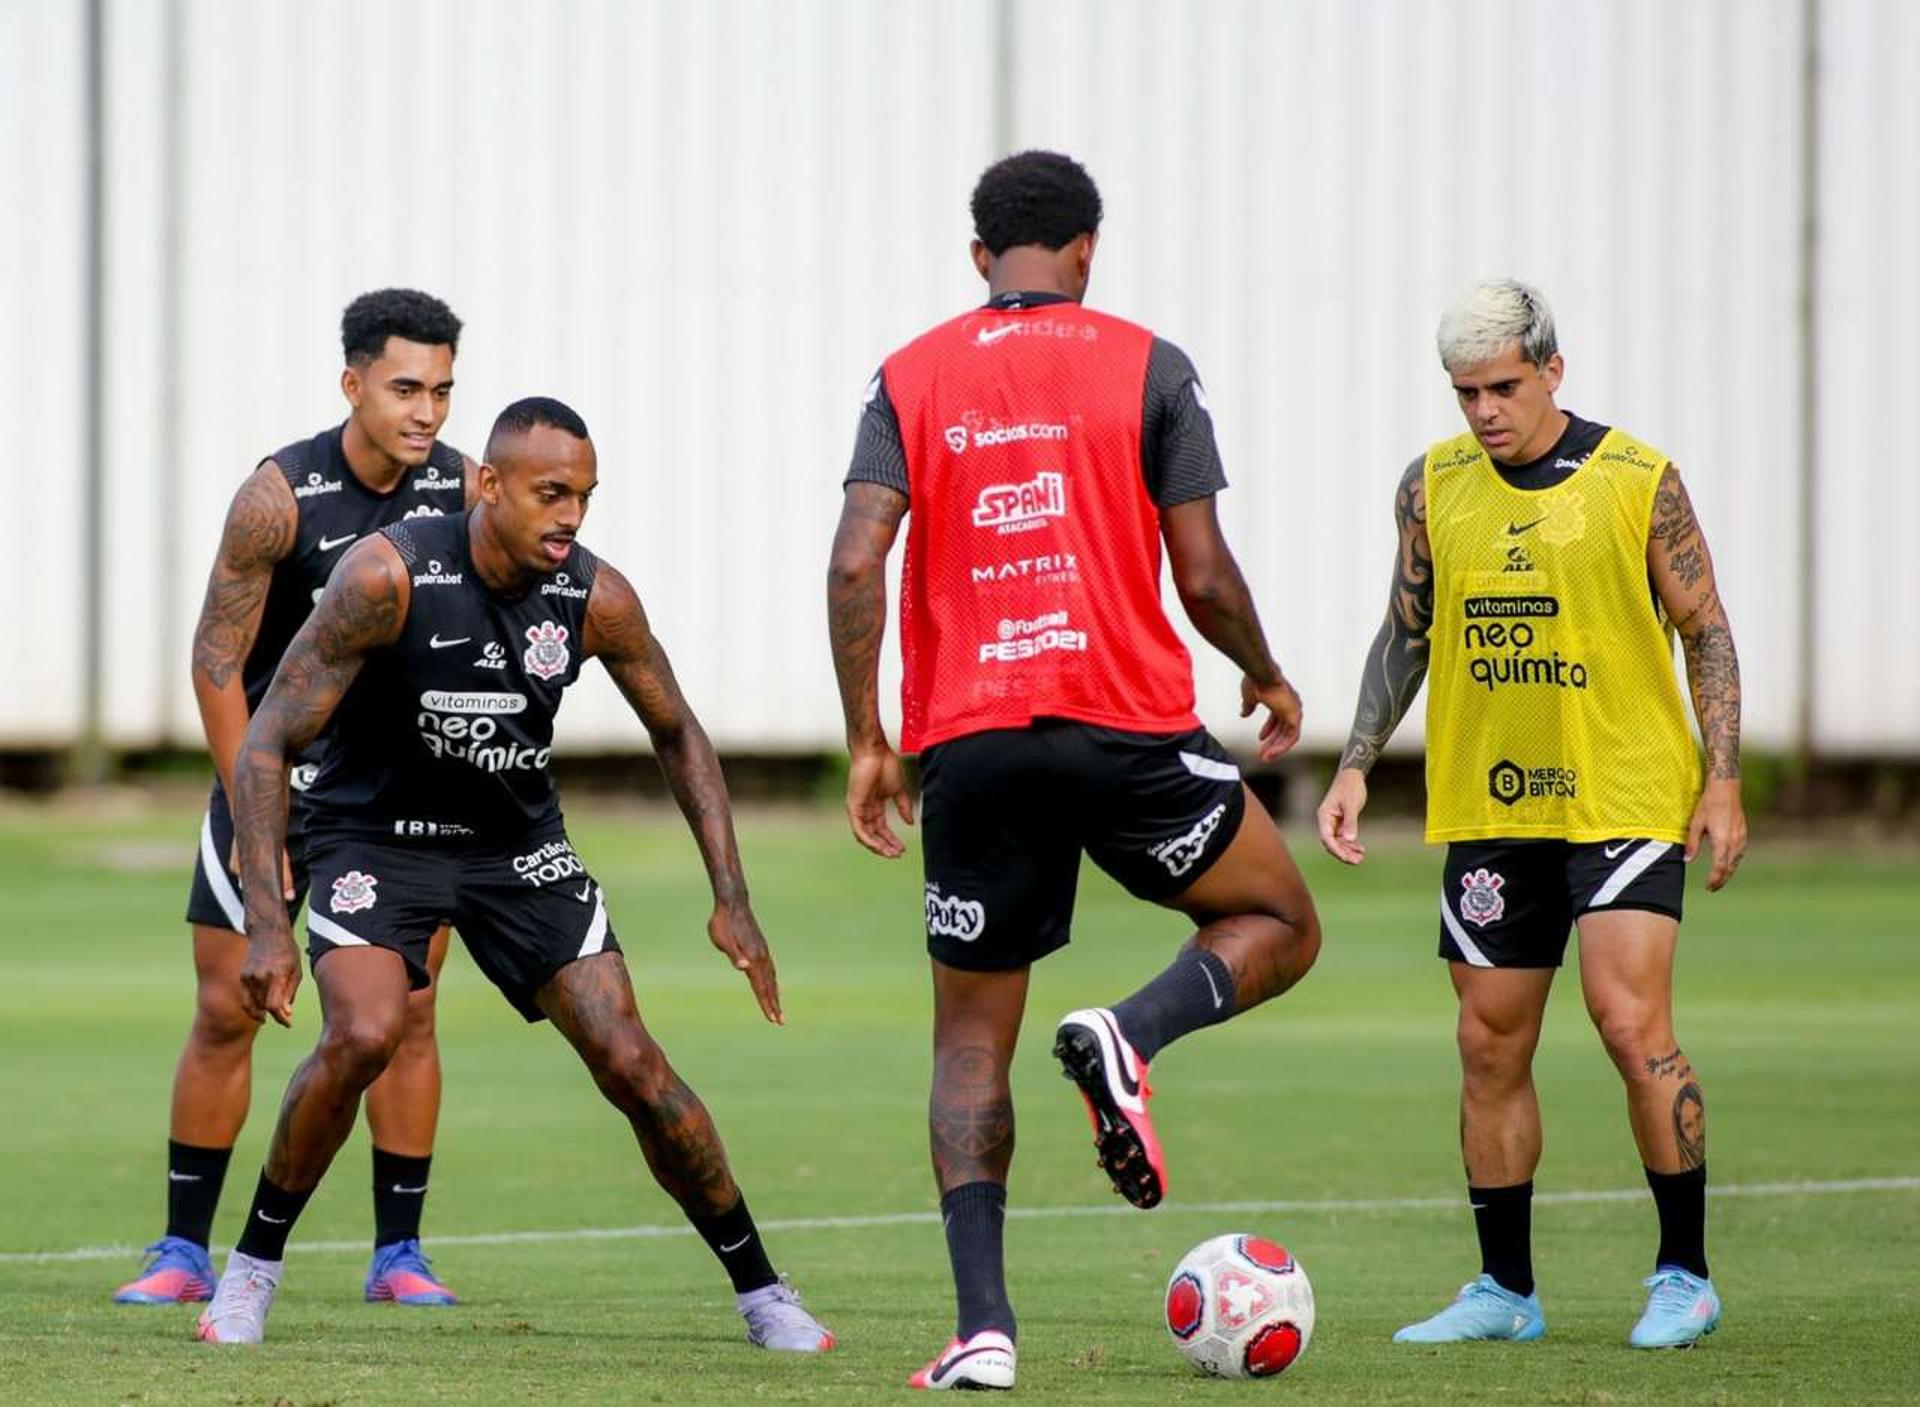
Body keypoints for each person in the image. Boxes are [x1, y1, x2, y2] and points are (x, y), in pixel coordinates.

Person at [193, 396, 833, 1355]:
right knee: (365, 1031)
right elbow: (270, 741)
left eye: (584, 496)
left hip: (515, 850)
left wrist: (731, 899)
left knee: (632, 1060)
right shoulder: (386, 575)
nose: (571, 516)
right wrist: (269, 924)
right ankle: (249, 1273)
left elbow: (678, 731)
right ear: (488, 485)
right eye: (550, 493)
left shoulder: (594, 596)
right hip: (376, 840)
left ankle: (763, 1291)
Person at [827, 150, 1321, 1391]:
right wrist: (1263, 674)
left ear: (979, 257)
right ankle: (1131, 1031)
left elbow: (852, 564)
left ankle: (983, 1331)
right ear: (1089, 250)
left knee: (966, 1047)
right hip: (1126, 729)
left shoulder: (908, 375)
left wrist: (869, 740)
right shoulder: (1152, 363)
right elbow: (1203, 574)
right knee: (1279, 917)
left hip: (975, 744)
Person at [1315, 279, 1746, 1350]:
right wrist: (1356, 761)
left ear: (1554, 369)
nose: (1485, 410)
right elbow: (1405, 629)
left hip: (1626, 793)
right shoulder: (1433, 485)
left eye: (1504, 385)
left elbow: (1708, 630)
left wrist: (1723, 777)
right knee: (1487, 1044)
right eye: (1466, 392)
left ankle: (1684, 1276)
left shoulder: (1639, 479)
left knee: (1629, 1023)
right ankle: (1505, 1291)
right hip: (1491, 803)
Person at [117, 289, 471, 1309]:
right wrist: (251, 816)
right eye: (405, 387)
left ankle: (399, 1253)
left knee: (408, 1012)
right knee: (227, 1010)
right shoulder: (280, 495)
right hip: (275, 783)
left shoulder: (461, 494)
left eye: (443, 390)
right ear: (352, 383)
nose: (426, 412)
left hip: (404, 796)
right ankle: (183, 1252)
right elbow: (215, 663)